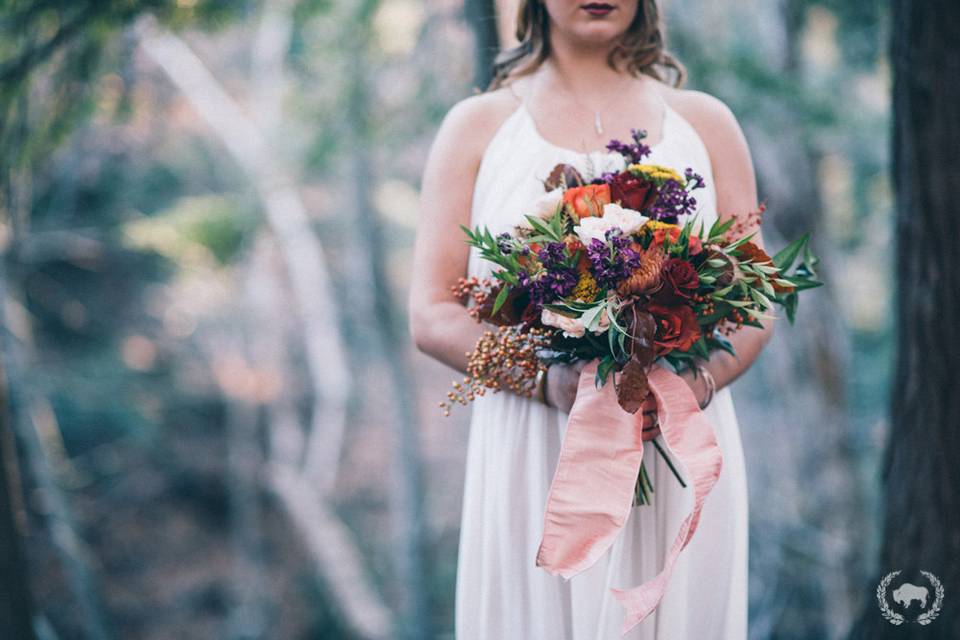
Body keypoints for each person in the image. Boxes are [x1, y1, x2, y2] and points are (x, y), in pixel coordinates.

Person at [409, 1, 774, 637]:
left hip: (673, 444)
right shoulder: (477, 127)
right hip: (537, 442)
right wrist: (549, 384)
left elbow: (757, 302)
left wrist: (688, 391)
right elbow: (434, 311)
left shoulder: (706, 123)